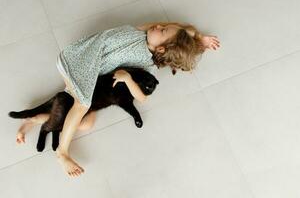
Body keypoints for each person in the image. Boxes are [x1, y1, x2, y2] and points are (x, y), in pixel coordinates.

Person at [55, 22, 220, 177]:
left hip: (85, 67)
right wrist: (198, 37)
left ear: (161, 49)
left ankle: (53, 122)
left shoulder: (146, 64)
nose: (158, 24)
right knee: (82, 104)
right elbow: (183, 29)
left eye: (162, 30)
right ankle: (62, 153)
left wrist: (127, 79)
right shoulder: (141, 32)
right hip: (77, 60)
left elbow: (142, 98)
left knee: (87, 122)